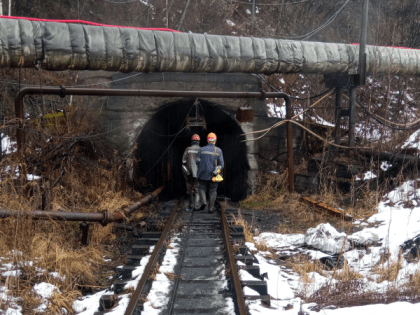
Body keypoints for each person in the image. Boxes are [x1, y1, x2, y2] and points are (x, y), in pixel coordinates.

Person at [196, 132, 224, 213]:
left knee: (201, 188)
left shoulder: (201, 149)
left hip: (202, 174)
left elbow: (197, 162)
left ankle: (204, 202)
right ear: (215, 140)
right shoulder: (218, 150)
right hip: (213, 175)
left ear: (208, 140)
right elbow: (221, 165)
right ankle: (211, 208)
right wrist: (216, 170)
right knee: (213, 191)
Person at [182, 134, 201, 210]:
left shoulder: (187, 149)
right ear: (198, 142)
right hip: (198, 174)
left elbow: (183, 163)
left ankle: (190, 205)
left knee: (189, 190)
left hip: (188, 174)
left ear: (192, 142)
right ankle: (196, 206)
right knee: (197, 190)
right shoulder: (201, 149)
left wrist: (187, 173)